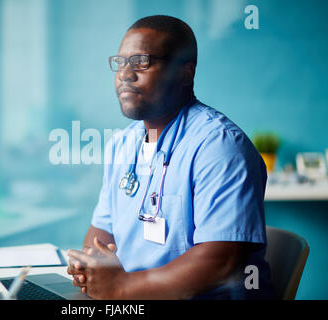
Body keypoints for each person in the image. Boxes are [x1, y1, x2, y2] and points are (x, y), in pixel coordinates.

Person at [67, 15, 273, 300]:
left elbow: (220, 262)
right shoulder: (121, 145)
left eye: (141, 62)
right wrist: (90, 269)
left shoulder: (220, 146)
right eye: (121, 63)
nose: (126, 73)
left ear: (185, 73)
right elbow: (101, 235)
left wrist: (122, 288)